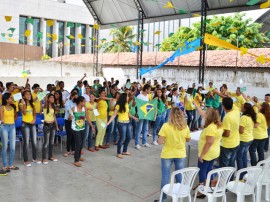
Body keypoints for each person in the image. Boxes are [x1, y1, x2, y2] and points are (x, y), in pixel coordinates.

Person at [157, 107, 191, 202]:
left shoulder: (166, 126)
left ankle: (163, 199)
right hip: (180, 154)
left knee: (165, 176)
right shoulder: (185, 126)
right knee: (179, 176)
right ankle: (178, 197)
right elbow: (188, 139)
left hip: (167, 154)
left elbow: (159, 142)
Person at [193, 102, 222, 198]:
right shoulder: (218, 125)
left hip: (207, 154)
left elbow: (209, 143)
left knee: (202, 171)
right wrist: (196, 104)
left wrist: (202, 155)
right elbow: (203, 113)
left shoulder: (210, 128)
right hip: (214, 152)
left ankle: (202, 190)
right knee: (209, 170)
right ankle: (209, 186)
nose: (205, 114)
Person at [107, 93, 138, 158]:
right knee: (122, 138)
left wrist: (134, 117)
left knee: (129, 137)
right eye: (127, 96)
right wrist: (108, 122)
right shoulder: (118, 105)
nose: (128, 97)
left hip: (128, 123)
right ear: (124, 98)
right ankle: (118, 153)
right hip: (121, 123)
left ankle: (124, 151)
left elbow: (128, 113)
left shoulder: (126, 104)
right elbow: (114, 115)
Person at [71, 96, 95, 167]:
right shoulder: (73, 109)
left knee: (81, 143)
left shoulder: (84, 109)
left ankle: (78, 156)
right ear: (80, 102)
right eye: (84, 102)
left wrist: (92, 126)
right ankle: (76, 160)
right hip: (75, 128)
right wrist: (70, 116)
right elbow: (69, 117)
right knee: (78, 143)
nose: (85, 103)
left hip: (82, 128)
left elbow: (87, 118)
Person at [19, 90, 40, 166]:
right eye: (27, 94)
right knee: (26, 143)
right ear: (24, 96)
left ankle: (34, 158)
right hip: (25, 124)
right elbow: (24, 112)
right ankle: (26, 160)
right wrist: (24, 103)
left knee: (34, 142)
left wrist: (34, 119)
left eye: (29, 94)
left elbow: (34, 113)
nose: (29, 95)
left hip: (32, 124)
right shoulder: (21, 104)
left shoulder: (32, 103)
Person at [0, 93, 19, 172]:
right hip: (4, 127)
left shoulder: (13, 107)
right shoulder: (2, 107)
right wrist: (3, 121)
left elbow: (16, 116)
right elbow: (1, 119)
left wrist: (12, 121)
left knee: (12, 147)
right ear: (7, 99)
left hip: (12, 127)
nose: (12, 99)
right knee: (5, 147)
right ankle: (5, 166)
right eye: (11, 98)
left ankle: (10, 165)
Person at [236, 103, 256, 179]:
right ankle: (244, 172)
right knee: (244, 156)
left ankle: (240, 176)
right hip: (249, 138)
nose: (241, 107)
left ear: (245, 109)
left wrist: (235, 128)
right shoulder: (251, 116)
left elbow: (241, 131)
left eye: (242, 106)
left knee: (239, 157)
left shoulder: (244, 117)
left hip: (243, 139)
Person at [219, 97, 240, 168]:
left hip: (227, 145)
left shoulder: (227, 117)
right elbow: (230, 102)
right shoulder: (236, 111)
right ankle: (231, 177)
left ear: (223, 106)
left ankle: (225, 179)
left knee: (224, 164)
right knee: (232, 162)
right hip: (236, 142)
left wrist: (219, 133)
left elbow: (227, 134)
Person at [42, 93, 59, 164]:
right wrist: (46, 97)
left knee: (51, 142)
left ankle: (50, 156)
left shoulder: (53, 106)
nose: (53, 99)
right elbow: (45, 99)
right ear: (48, 99)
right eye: (51, 98)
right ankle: (44, 158)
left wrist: (57, 126)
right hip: (47, 125)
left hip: (53, 125)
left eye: (53, 98)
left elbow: (54, 116)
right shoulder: (45, 106)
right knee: (46, 142)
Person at [135, 84, 152, 149]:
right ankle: (137, 143)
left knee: (145, 129)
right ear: (146, 89)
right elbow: (138, 105)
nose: (150, 91)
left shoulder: (147, 96)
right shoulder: (139, 96)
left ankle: (144, 142)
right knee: (139, 129)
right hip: (141, 115)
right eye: (149, 89)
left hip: (146, 114)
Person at [63, 89, 78, 157]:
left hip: (74, 120)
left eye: (77, 97)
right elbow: (69, 110)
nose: (75, 98)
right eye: (75, 97)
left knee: (74, 136)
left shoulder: (76, 103)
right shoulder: (68, 102)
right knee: (69, 136)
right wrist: (71, 112)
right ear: (71, 96)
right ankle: (68, 150)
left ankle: (73, 150)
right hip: (68, 121)